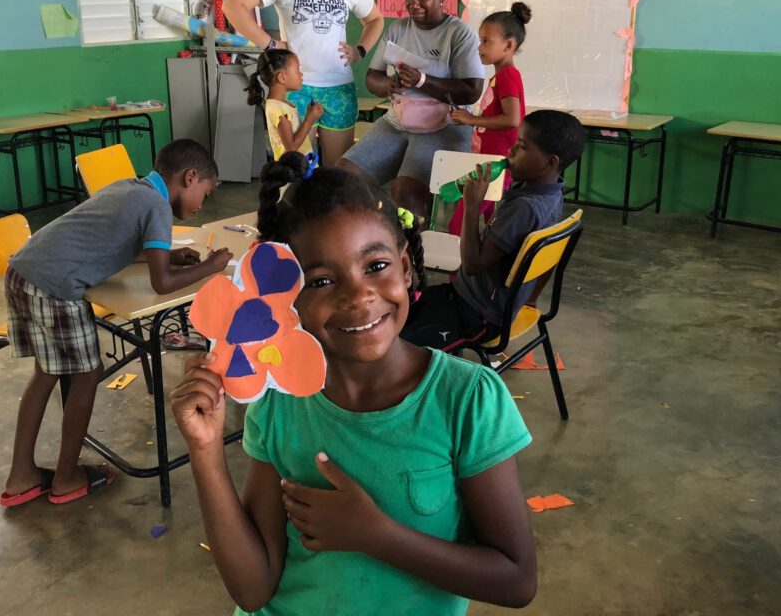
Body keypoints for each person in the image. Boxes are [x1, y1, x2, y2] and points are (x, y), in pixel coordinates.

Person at [170, 152, 537, 615]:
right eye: (321, 281)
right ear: (285, 297)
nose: (359, 296)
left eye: (376, 266)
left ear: (406, 267)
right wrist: (205, 449)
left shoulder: (466, 400)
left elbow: (516, 581)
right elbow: (253, 590)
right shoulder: (280, 403)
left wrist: (375, 535)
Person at [0, 139, 233, 507]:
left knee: (46, 373)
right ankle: (66, 479)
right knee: (87, 373)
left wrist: (169, 255)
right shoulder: (157, 206)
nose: (202, 204)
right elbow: (162, 284)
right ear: (190, 178)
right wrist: (210, 267)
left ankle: (21, 476)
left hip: (23, 271)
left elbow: (116, 244)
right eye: (205, 193)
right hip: (53, 285)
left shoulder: (131, 187)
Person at [402, 110, 586, 353]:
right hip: (471, 299)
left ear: (549, 162)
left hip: (478, 315)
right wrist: (529, 300)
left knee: (400, 346)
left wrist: (472, 206)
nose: (511, 150)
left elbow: (472, 265)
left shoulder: (525, 209)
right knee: (401, 313)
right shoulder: (552, 196)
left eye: (522, 147)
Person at [340, 0, 484, 226]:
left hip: (444, 126)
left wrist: (422, 81)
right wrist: (391, 85)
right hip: (399, 122)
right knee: (344, 179)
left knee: (405, 193)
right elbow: (372, 78)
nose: (413, 4)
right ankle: (377, 235)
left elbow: (472, 91)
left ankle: (411, 248)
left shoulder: (458, 33)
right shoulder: (398, 29)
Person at [224, 0, 384, 166]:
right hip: (295, 88)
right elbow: (233, 5)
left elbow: (375, 19)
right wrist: (270, 44)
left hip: (338, 89)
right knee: (297, 172)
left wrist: (360, 50)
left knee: (337, 173)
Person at [446, 2, 532, 235]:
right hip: (488, 163)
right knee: (489, 223)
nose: (479, 47)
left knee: (457, 225)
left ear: (509, 45)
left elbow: (512, 119)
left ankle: (464, 260)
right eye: (480, 40)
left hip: (496, 166)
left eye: (486, 41)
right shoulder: (500, 76)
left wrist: (470, 120)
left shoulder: (507, 77)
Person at [246, 49, 323, 161]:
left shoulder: (281, 104)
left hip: (300, 166)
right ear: (282, 77)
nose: (301, 74)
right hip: (294, 169)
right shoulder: (277, 109)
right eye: (297, 70)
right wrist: (309, 120)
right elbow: (291, 148)